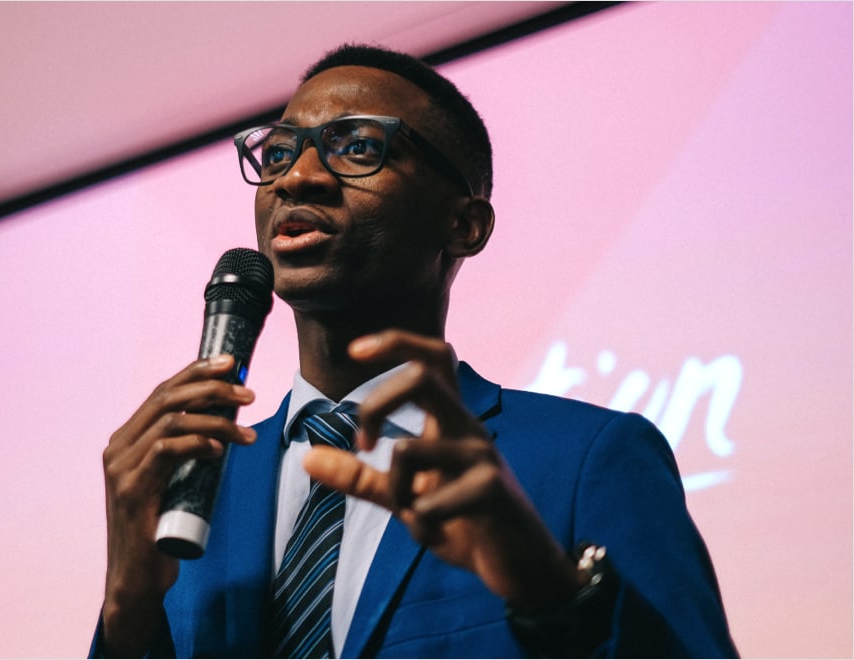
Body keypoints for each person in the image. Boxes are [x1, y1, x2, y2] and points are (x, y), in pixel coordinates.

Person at [92, 44, 737, 658]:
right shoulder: (194, 491)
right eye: (281, 152)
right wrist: (124, 616)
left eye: (359, 147)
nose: (300, 178)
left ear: (464, 224)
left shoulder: (585, 461)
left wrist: (551, 599)